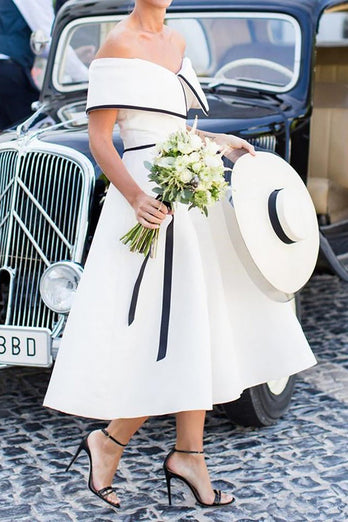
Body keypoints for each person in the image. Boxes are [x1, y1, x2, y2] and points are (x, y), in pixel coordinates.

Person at [43, 0, 317, 510]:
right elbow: (101, 139)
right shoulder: (116, 45)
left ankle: (183, 452)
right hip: (145, 200)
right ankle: (117, 442)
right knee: (161, 333)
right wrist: (135, 196)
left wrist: (217, 140)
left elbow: (174, 130)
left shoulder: (178, 42)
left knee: (201, 325)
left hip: (189, 198)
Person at [0, 0, 54, 130]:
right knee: (38, 123)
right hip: (7, 73)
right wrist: (85, 75)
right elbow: (48, 42)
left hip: (8, 71)